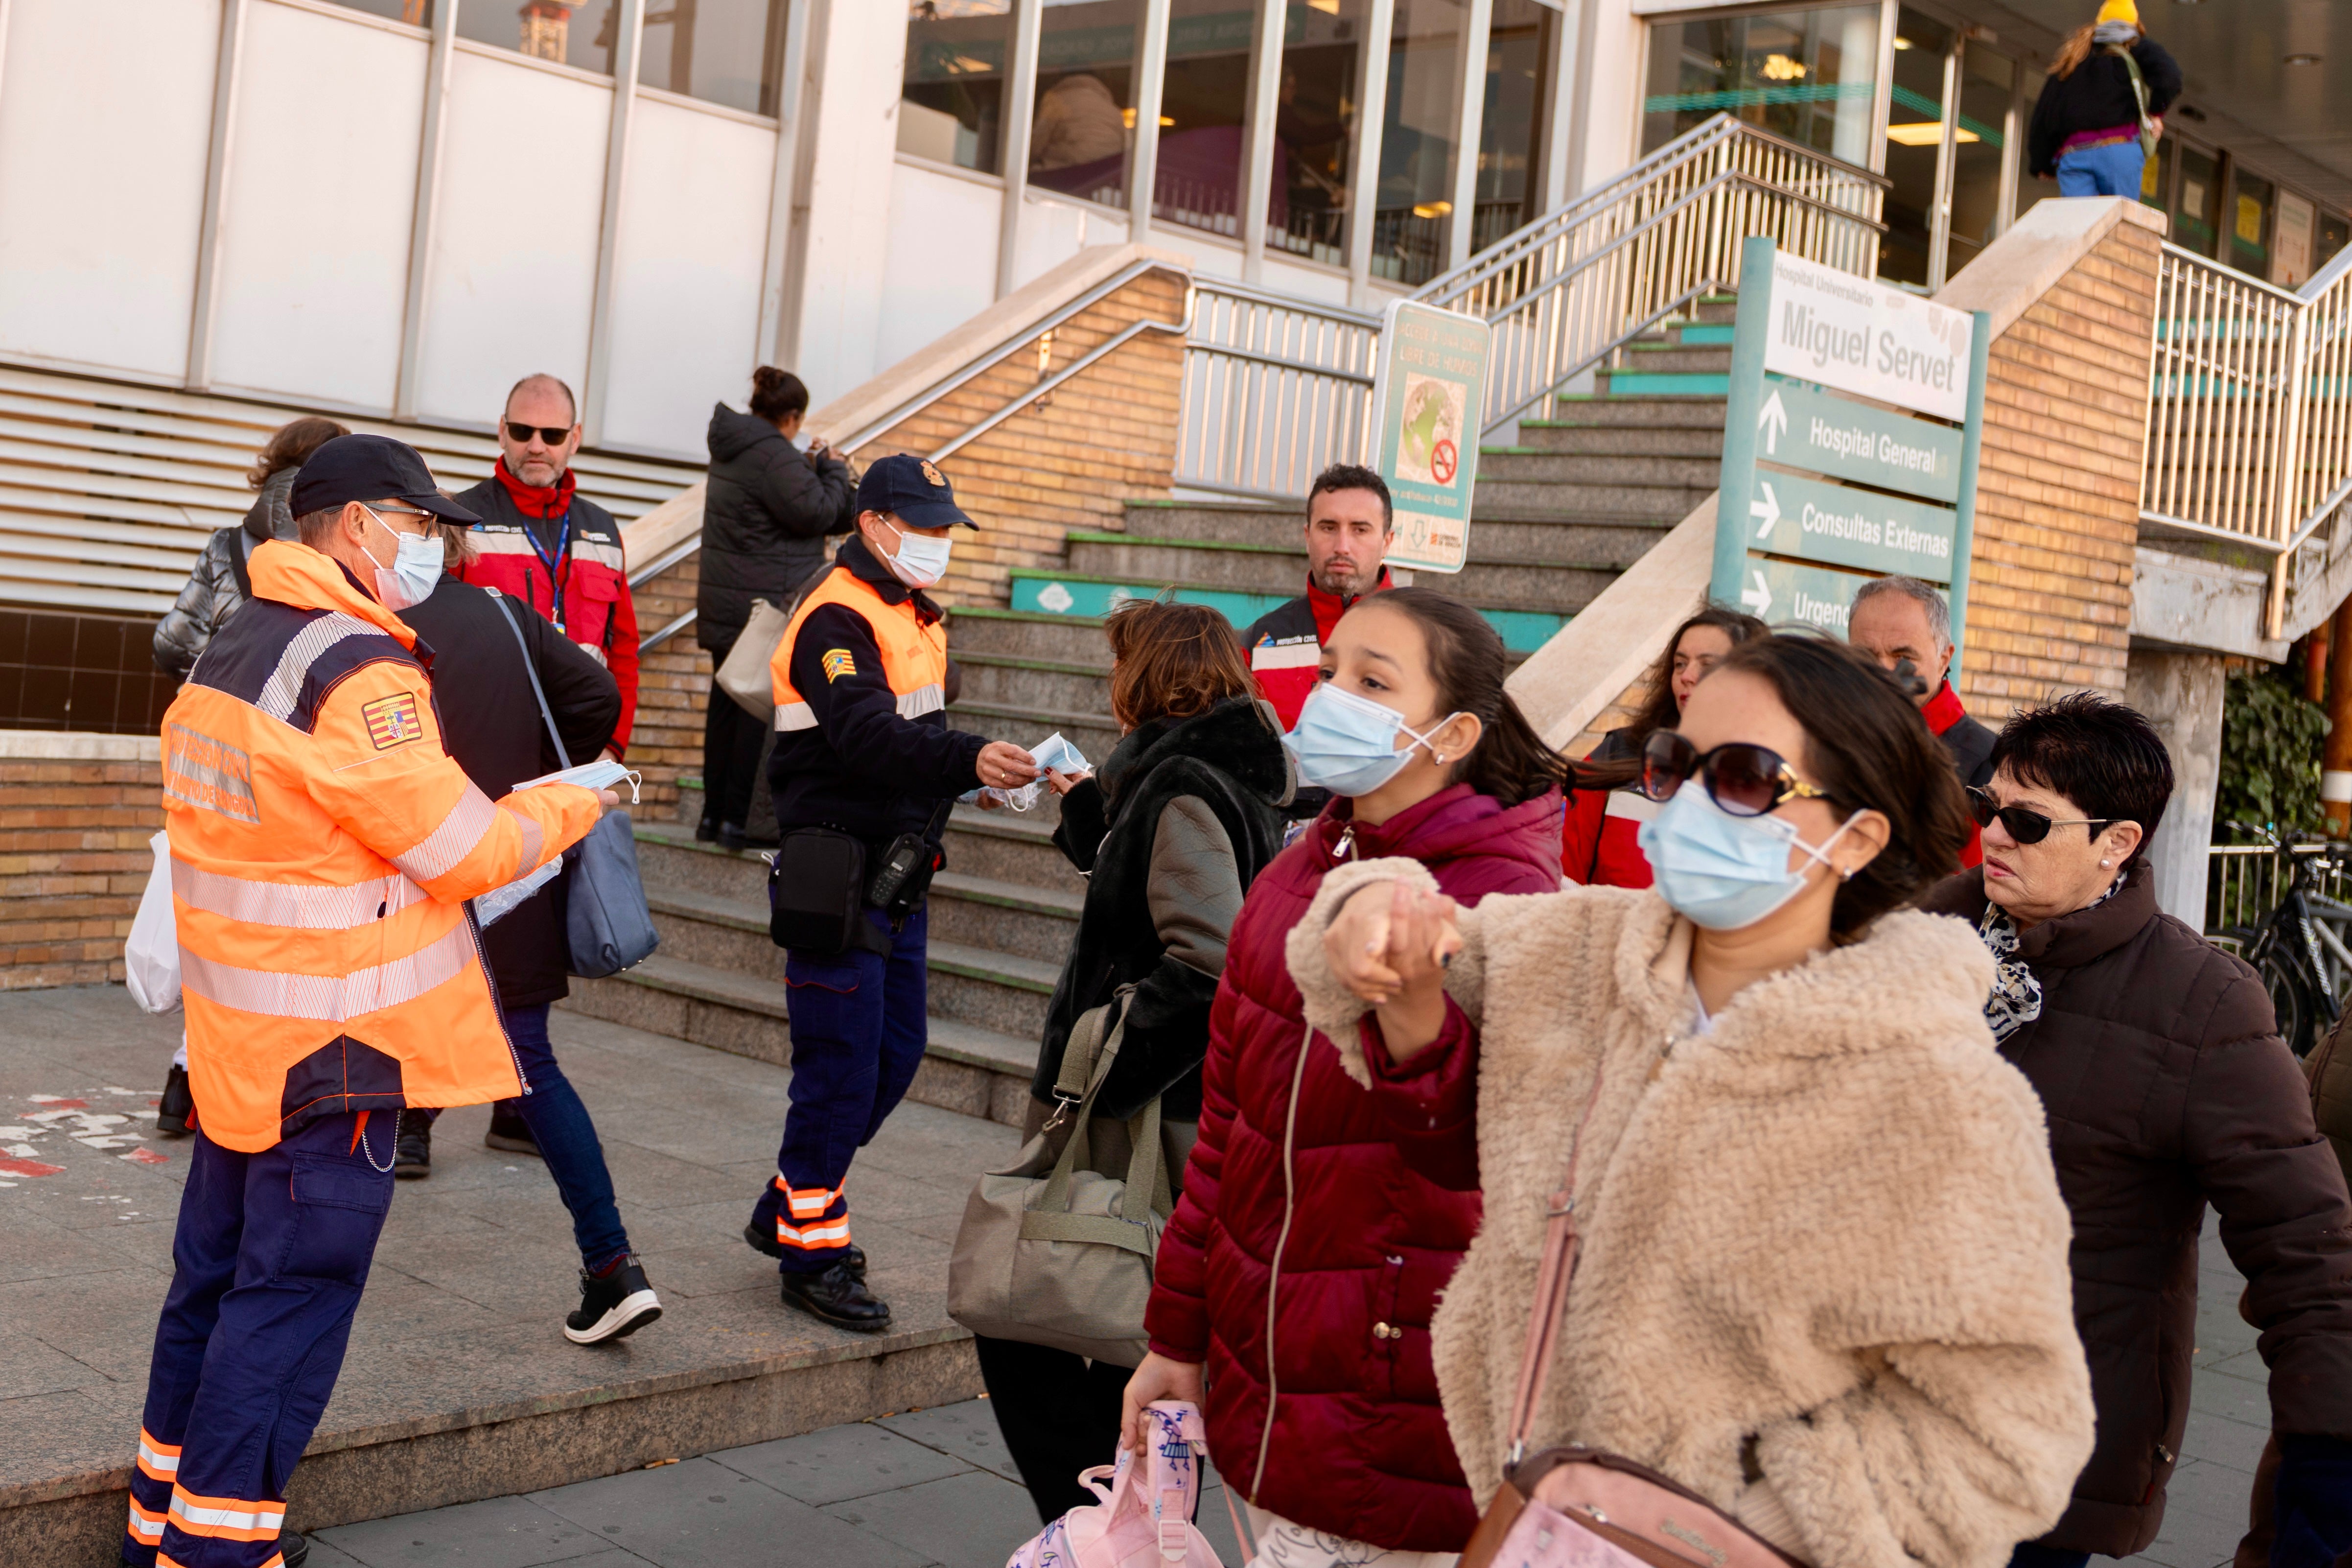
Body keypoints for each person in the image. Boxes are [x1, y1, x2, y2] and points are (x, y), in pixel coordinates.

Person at [1287, 634, 2097, 1568]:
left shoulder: (1940, 1098)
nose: (1693, 797)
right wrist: (1368, 908)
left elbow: (2011, 1436)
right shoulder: (1577, 949)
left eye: (1748, 776)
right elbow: (1402, 932)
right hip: (1523, 1515)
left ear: (1859, 834)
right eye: (1675, 762)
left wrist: (1741, 1530)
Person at [124, 434, 610, 1568]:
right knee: (289, 1305)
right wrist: (582, 797)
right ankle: (218, 1550)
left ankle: (159, 1518)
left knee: (211, 1283)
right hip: (338, 1053)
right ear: (354, 527)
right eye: (421, 524)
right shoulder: (356, 670)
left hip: (242, 1043)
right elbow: (465, 847)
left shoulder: (235, 641)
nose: (435, 545)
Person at [1123, 587, 1568, 1560]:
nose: (1331, 698)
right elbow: (1225, 1132)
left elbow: (1492, 1159)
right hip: (1268, 1384)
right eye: (1329, 672)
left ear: (1451, 730)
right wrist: (1177, 1335)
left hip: (1401, 1410)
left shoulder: (1504, 899)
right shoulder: (1295, 870)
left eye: (1372, 681)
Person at [1918, 693, 2352, 1568]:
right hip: (1862, 1403)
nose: (1995, 834)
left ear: (2116, 843)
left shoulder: (2204, 1003)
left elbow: (2306, 1244)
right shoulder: (1918, 937)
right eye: (1989, 806)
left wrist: (2328, 1452)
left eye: (2030, 821)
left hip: (2042, 1442)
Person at [977, 598, 1293, 1524]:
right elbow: (1132, 873)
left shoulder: (1184, 783)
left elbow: (1206, 956)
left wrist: (1099, 1071)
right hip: (1166, 1102)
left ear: (1145, 676)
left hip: (1146, 1110)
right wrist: (1088, 799)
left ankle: (1102, 1532)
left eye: (1119, 666)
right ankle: (1127, 1528)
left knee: (1045, 1321)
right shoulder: (1188, 774)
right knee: (1117, 1329)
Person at [744, 453, 1039, 1331]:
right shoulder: (839, 612)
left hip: (894, 875)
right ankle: (814, 1252)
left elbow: (917, 736)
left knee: (895, 1054)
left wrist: (976, 776)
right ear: (873, 524)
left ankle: (790, 1198)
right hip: (837, 875)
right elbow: (868, 735)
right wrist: (965, 755)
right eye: (926, 526)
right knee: (839, 1072)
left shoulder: (910, 611)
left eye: (948, 527)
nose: (941, 542)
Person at [385, 532, 662, 1344]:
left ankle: (295, 1285)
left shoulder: (361, 622)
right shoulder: (506, 615)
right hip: (509, 877)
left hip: (405, 889)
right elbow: (595, 694)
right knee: (530, 1064)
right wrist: (542, 770)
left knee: (364, 1070)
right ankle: (612, 1263)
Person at [150, 416, 351, 1140]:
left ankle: (185, 1079)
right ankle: (264, 1085)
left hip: (208, 756)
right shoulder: (337, 541)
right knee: (277, 926)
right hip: (293, 762)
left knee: (213, 918)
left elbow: (171, 641)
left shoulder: (228, 542)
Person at [697, 366, 858, 851]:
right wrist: (831, 465)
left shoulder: (738, 447)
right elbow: (825, 513)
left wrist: (806, 468)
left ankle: (712, 816)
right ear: (792, 416)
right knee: (754, 714)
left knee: (726, 708)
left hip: (729, 604)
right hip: (763, 609)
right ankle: (737, 824)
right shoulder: (772, 455)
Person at [453, 373, 641, 760]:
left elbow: (623, 647)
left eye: (552, 435)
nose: (536, 446)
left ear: (574, 438)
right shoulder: (459, 518)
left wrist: (613, 746)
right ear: (503, 432)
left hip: (582, 748)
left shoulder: (602, 528)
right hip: (486, 742)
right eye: (523, 431)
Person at [1561, 604, 1762, 887]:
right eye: (1680, 664)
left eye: (1708, 665)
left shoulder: (1770, 778)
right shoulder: (1618, 753)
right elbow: (1564, 875)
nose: (1687, 676)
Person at [1849, 574, 1993, 867]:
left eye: (1903, 655)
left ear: (1944, 660)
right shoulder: (1824, 738)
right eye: (1865, 654)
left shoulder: (1989, 763)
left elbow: (1971, 894)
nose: (1883, 672)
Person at [1240, 463, 1396, 733]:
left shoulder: (1429, 636)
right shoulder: (1258, 642)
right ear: (1307, 535)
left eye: (1360, 530)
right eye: (1329, 528)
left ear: (1387, 542)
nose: (1342, 547)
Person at [2026, 0, 2180, 199]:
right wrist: (2156, 113)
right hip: (2119, 152)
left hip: (2075, 156)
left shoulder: (2073, 59)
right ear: (2135, 25)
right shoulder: (2135, 46)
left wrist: (2041, 164)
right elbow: (2171, 78)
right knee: (2118, 227)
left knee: (2080, 228)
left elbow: (2044, 113)